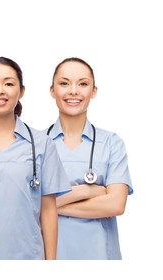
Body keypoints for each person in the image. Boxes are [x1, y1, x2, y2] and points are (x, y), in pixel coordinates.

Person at [0, 57, 69, 260]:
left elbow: (48, 210)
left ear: (21, 91)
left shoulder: (42, 143)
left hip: (28, 256)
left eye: (9, 83)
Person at [47, 57, 133, 260]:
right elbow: (27, 208)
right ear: (52, 90)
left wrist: (51, 205)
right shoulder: (38, 144)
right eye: (64, 83)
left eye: (83, 84)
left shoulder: (112, 143)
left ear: (93, 91)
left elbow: (115, 205)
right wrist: (87, 190)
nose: (73, 91)